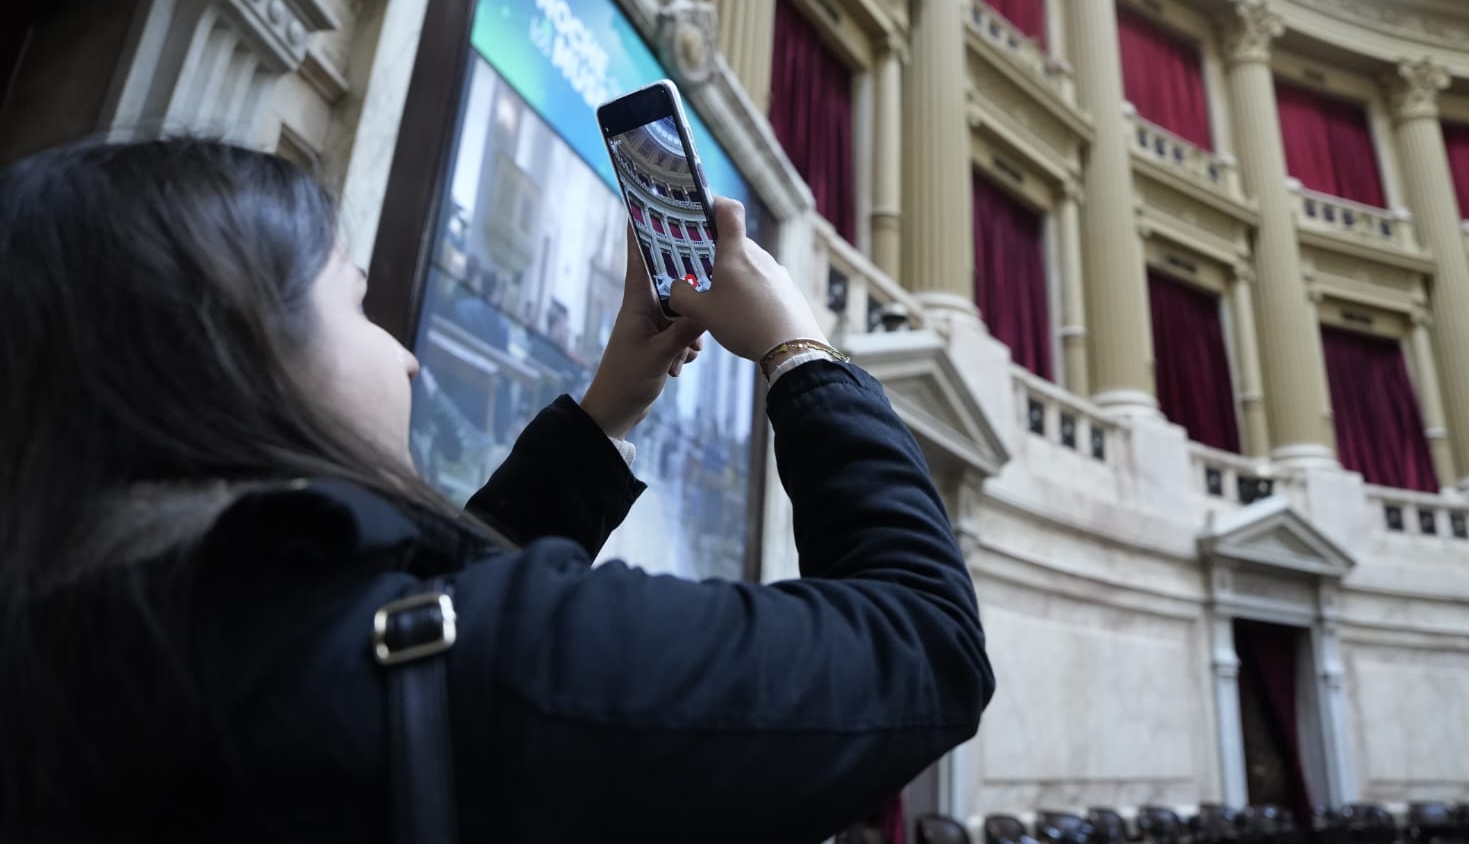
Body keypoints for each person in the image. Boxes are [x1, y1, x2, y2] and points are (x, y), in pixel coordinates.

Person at [0, 137, 994, 842]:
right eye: (357, 304)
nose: (405, 360)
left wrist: (606, 411)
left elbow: (406, 619)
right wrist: (800, 350)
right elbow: (925, 642)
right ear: (227, 356)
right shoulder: (483, 665)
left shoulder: (87, 632)